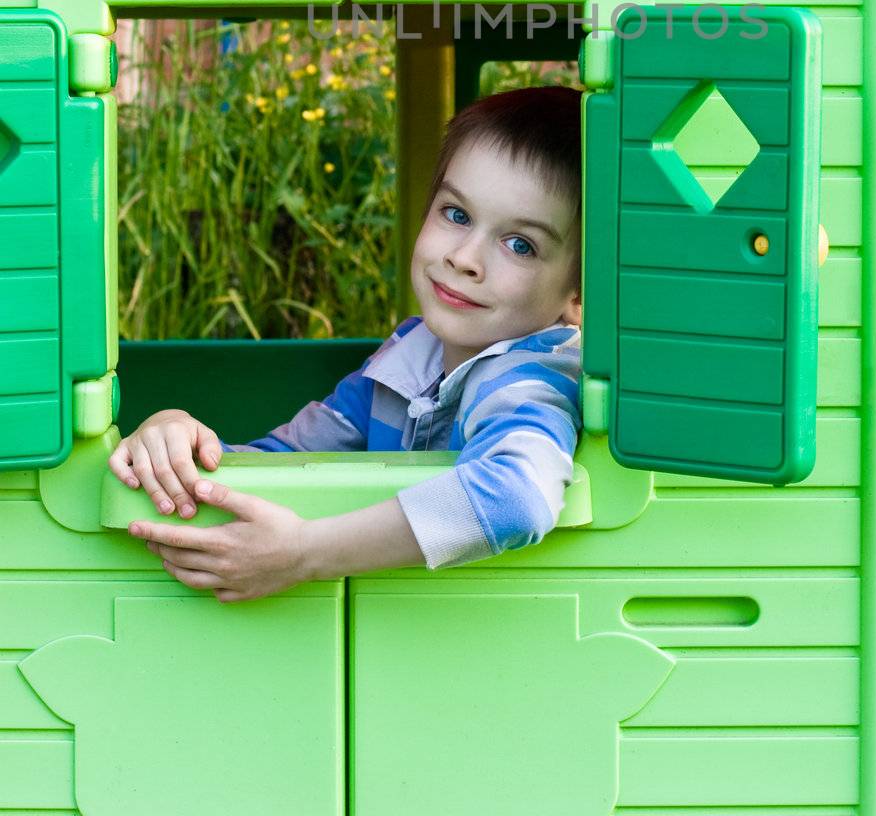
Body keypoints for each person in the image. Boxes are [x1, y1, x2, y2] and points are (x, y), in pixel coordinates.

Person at [108, 85, 584, 602]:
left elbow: (517, 497)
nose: (464, 257)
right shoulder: (409, 355)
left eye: (521, 245)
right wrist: (178, 442)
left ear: (580, 291)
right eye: (456, 214)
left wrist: (306, 552)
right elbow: (286, 463)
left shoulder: (533, 377)